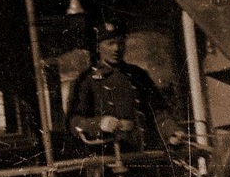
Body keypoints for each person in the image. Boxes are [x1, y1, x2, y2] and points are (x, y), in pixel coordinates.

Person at [68, 21, 184, 152]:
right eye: (110, 43)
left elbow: (158, 111)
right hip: (108, 159)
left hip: (143, 154)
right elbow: (74, 122)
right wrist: (100, 124)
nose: (116, 48)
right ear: (98, 47)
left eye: (120, 43)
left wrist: (171, 131)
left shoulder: (138, 75)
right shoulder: (87, 80)